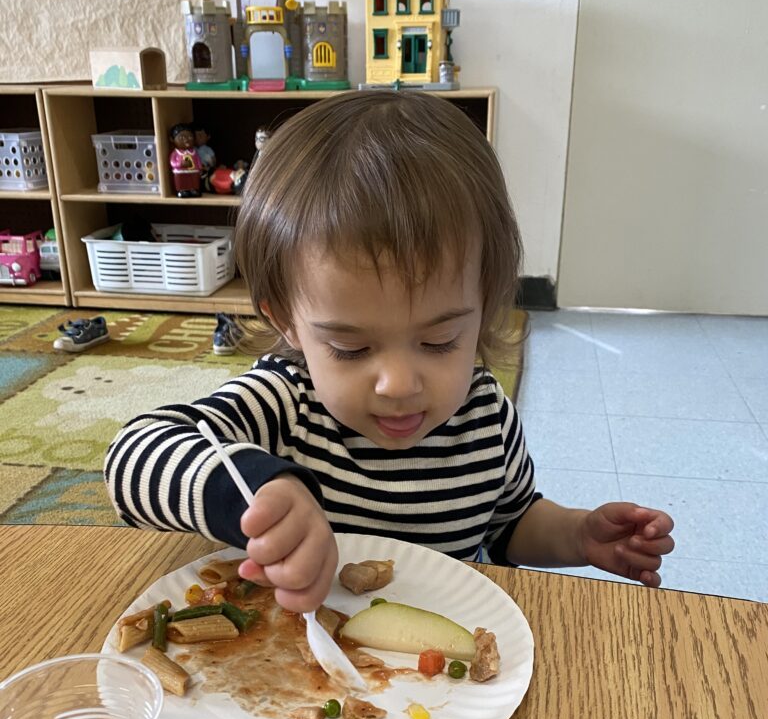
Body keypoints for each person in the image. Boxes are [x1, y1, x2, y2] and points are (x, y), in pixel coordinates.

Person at [105, 90, 674, 613]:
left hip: (445, 682)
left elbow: (510, 522)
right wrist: (258, 491)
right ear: (290, 325)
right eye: (351, 348)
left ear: (484, 308)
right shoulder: (283, 401)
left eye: (439, 341)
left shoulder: (484, 415)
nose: (398, 384)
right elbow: (132, 455)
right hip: (296, 676)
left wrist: (577, 536)